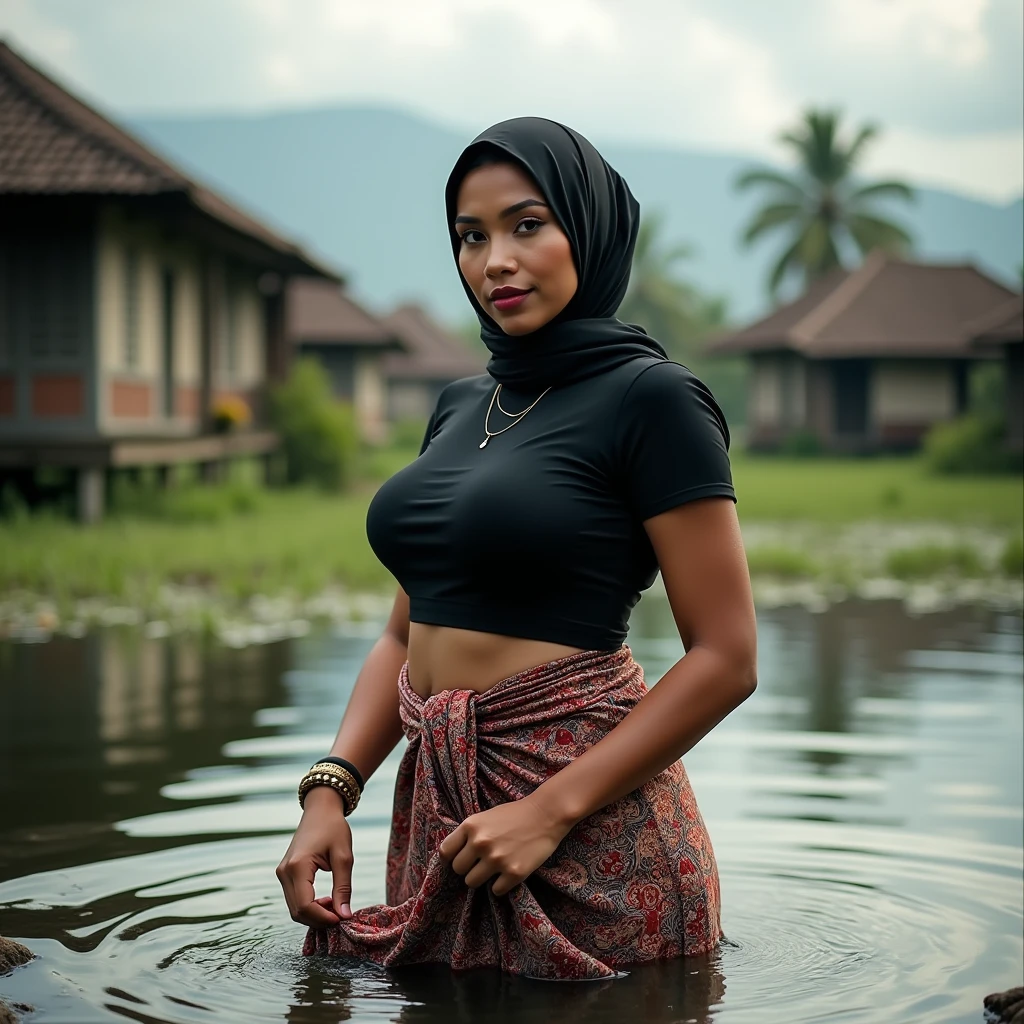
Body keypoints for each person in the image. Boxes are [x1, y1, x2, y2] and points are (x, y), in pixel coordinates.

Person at [276, 116, 758, 981]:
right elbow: (401, 636)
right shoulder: (461, 405)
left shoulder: (655, 401)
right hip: (445, 823)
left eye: (526, 225)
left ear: (589, 230)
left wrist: (546, 812)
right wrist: (330, 790)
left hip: (591, 832)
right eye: (471, 235)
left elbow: (726, 657)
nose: (494, 259)